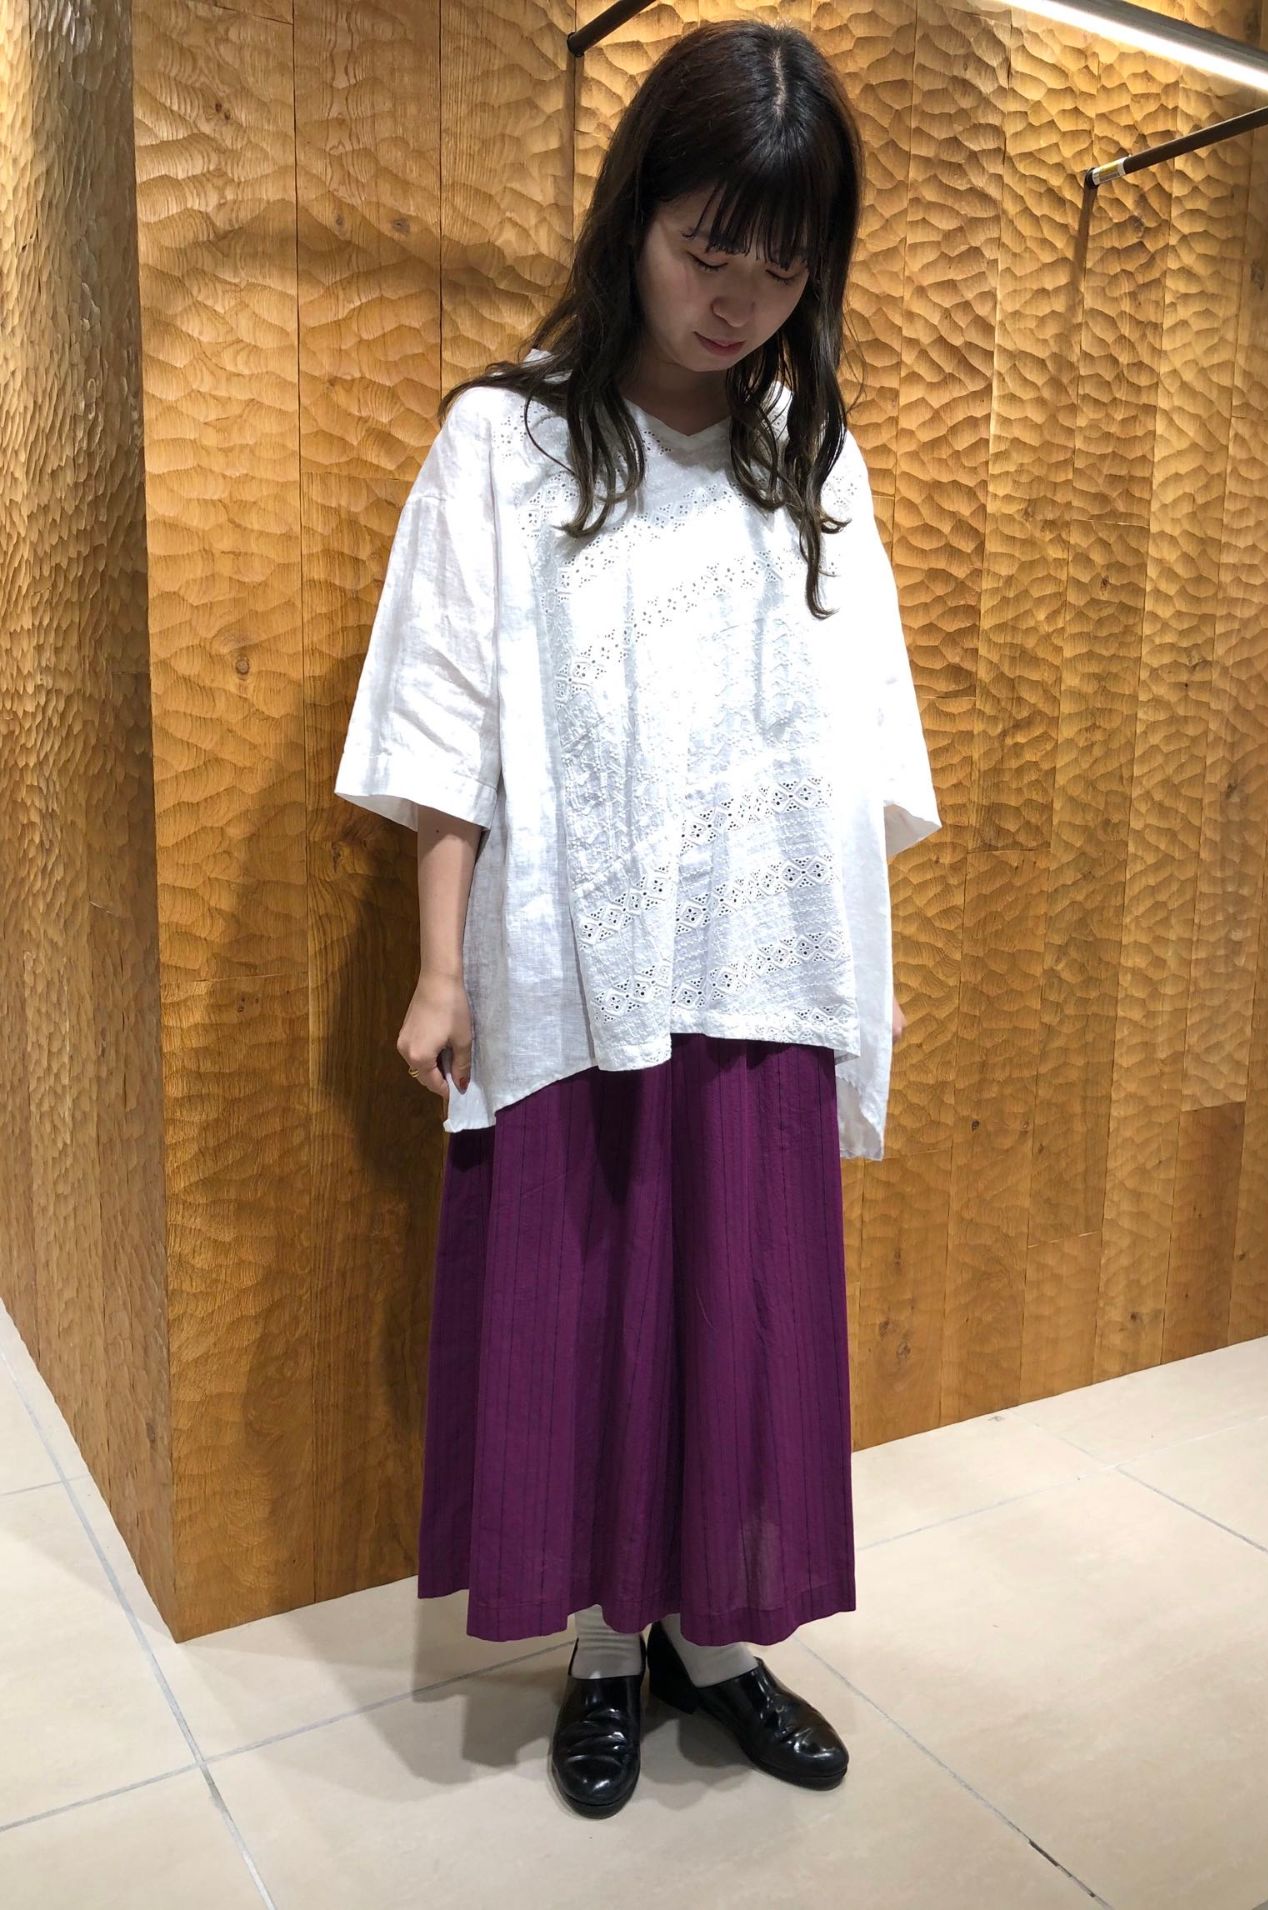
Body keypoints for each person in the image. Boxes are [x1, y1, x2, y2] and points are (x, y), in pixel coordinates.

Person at [333, 18, 941, 1820]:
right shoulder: (510, 439)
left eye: (782, 265)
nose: (738, 299)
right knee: (592, 1314)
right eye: (707, 246)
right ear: (635, 220)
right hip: (575, 970)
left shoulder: (811, 460)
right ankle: (611, 1652)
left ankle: (724, 1646)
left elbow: (860, 738)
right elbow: (443, 718)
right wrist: (438, 968)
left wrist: (849, 962)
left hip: (760, 971)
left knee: (742, 1318)